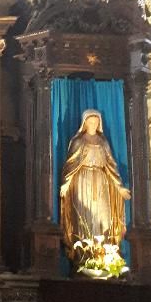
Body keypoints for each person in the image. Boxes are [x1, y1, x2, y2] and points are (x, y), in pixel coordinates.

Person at [59, 109, 130, 254]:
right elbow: (71, 164)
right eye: (90, 122)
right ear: (84, 123)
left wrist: (119, 186)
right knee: (83, 215)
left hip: (101, 180)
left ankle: (104, 252)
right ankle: (83, 254)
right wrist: (66, 183)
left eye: (96, 122)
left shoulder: (103, 142)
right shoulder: (78, 141)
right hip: (82, 181)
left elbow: (111, 165)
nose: (93, 125)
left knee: (104, 216)